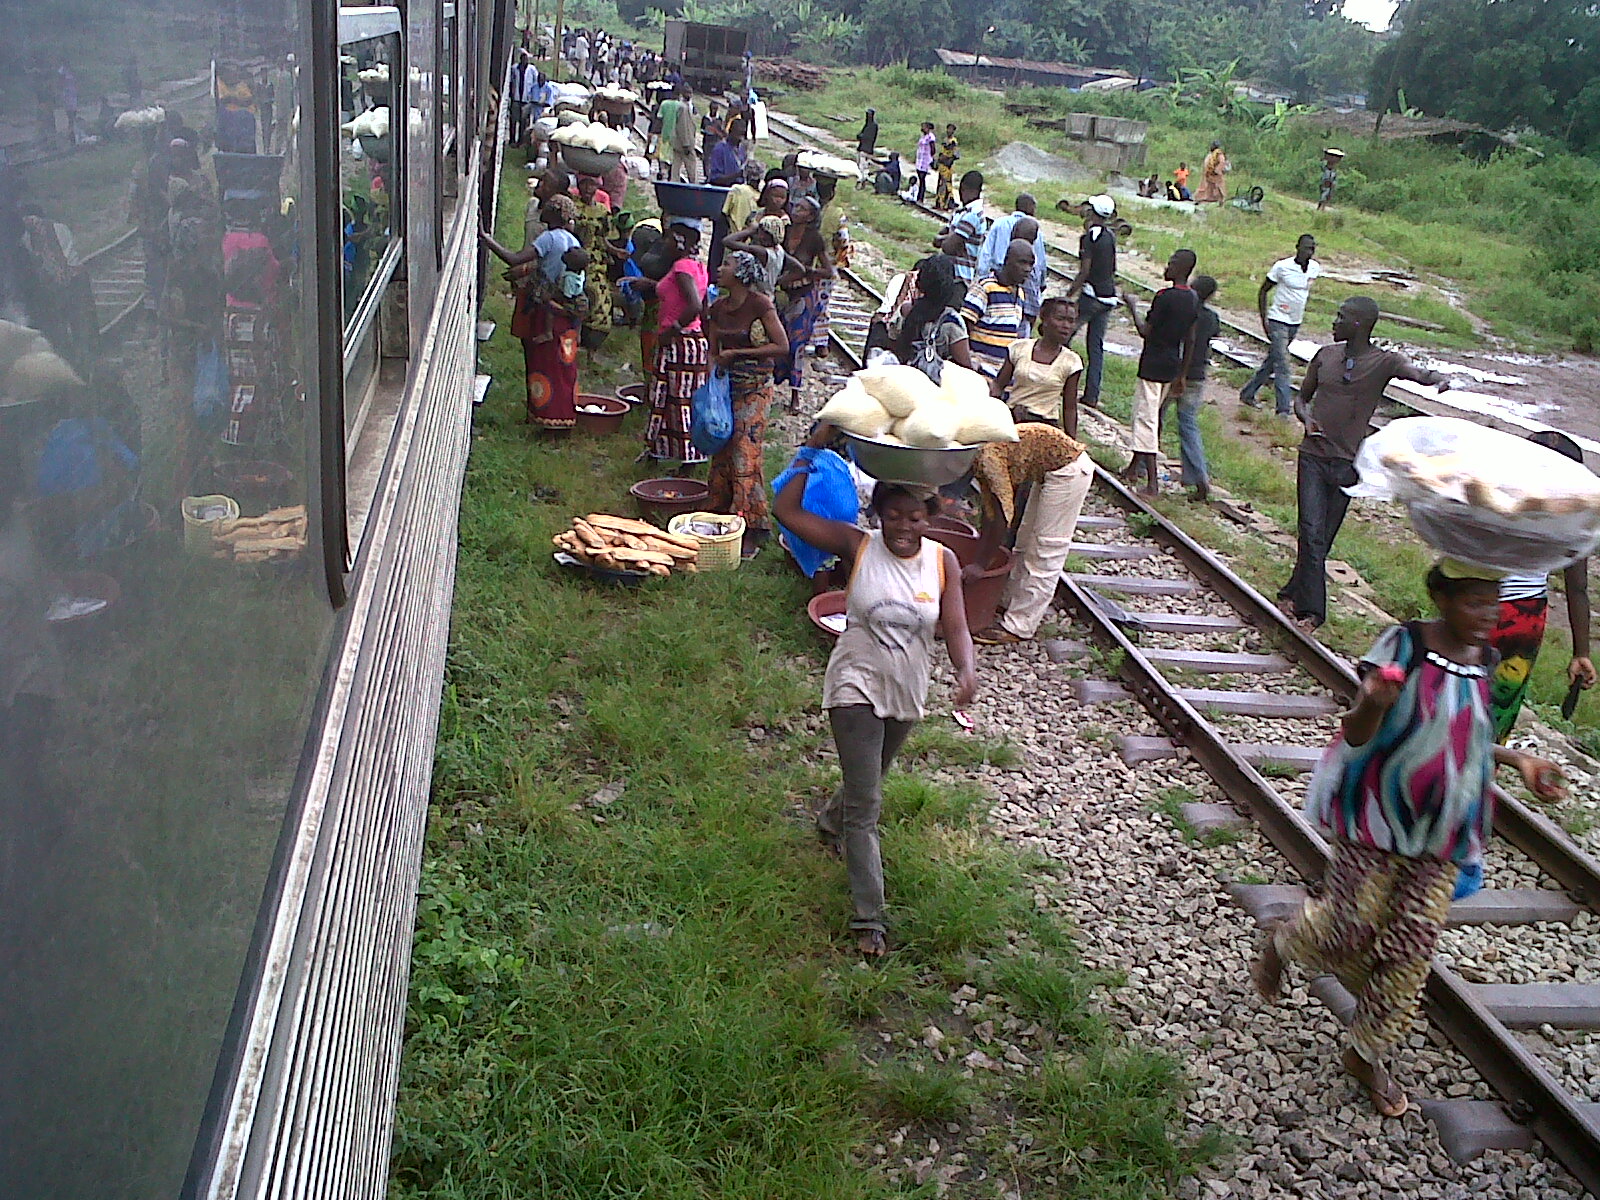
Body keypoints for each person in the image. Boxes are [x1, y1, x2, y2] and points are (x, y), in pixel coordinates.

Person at [1253, 559, 1567, 1118]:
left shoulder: (1487, 662)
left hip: (1445, 831)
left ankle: (1365, 1053)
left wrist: (1519, 758)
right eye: (1475, 601)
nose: (1490, 614)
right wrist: (1373, 702)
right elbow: (1356, 732)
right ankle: (1285, 940)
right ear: (1442, 598)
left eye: (1495, 600)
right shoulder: (1404, 644)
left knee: (1410, 951)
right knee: (1349, 931)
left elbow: (1463, 736)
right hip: (1376, 816)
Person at [773, 425, 979, 958]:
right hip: (855, 684)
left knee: (869, 779)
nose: (903, 528)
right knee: (869, 803)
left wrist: (966, 669)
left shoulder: (942, 562)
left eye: (914, 518)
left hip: (907, 691)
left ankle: (828, 820)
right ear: (877, 516)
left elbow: (955, 625)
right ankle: (870, 919)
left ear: (929, 519)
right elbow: (788, 513)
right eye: (893, 517)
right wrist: (812, 448)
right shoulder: (857, 547)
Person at [1279, 296, 1452, 629]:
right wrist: (1306, 420)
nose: (1334, 321)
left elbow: (1416, 374)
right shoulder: (1324, 356)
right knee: (1311, 531)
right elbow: (1301, 398)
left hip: (1349, 464)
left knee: (1322, 537)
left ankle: (1293, 590)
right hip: (1313, 457)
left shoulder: (1383, 362)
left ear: (1358, 323)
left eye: (1341, 316)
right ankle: (1312, 612)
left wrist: (1438, 379)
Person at [1489, 430, 1595, 739]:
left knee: (1449, 685)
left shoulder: (1497, 494)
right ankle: (1480, 766)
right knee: (1500, 702)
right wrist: (1581, 653)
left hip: (1474, 599)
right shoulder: (1574, 521)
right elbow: (1577, 589)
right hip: (1524, 618)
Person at [967, 420, 1095, 647]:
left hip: (1069, 472)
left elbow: (1002, 516)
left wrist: (980, 563)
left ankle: (1020, 625)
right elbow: (990, 510)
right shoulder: (977, 453)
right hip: (1047, 471)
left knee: (1046, 550)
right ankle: (1007, 600)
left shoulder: (987, 459)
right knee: (1024, 542)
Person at [705, 251, 790, 558]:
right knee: (725, 449)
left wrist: (739, 355)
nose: (719, 268)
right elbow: (713, 349)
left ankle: (745, 525)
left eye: (726, 264)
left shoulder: (760, 305)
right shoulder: (718, 308)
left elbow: (782, 346)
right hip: (728, 387)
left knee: (744, 452)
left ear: (741, 273)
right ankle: (732, 513)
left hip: (756, 388)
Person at [479, 194, 586, 432]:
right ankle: (564, 416)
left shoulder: (547, 238)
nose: (542, 211)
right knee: (563, 365)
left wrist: (485, 238)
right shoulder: (571, 239)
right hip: (566, 313)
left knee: (544, 363)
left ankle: (547, 417)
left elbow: (514, 258)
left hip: (546, 306)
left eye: (547, 209)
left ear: (554, 215)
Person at [1122, 249, 1200, 496]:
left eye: (1171, 263)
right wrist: (1182, 373)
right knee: (1152, 414)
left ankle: (1152, 482)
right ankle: (1134, 467)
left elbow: (1146, 331)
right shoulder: (1192, 298)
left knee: (1146, 419)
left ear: (1180, 268)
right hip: (1172, 365)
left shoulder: (1164, 296)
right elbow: (1191, 338)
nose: (1167, 267)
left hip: (1152, 364)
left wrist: (1132, 306)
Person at [636, 222, 710, 470]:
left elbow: (694, 306)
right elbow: (701, 305)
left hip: (679, 342)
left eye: (668, 239)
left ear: (679, 242)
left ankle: (687, 459)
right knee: (673, 398)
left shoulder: (681, 267)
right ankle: (661, 452)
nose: (664, 244)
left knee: (675, 400)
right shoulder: (697, 266)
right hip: (694, 341)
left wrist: (673, 330)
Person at [1241, 234, 1322, 416]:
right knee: (1283, 365)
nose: (1309, 252)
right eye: (1306, 248)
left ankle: (1248, 393)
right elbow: (1263, 291)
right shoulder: (1282, 267)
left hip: (1295, 321)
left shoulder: (1315, 268)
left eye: (1312, 248)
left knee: (1273, 360)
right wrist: (1264, 321)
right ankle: (1283, 411)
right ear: (1297, 248)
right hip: (1278, 320)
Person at [775, 195, 834, 412]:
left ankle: (795, 395)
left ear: (810, 217)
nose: (795, 209)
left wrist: (809, 272)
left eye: (801, 208)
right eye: (796, 206)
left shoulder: (814, 239)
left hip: (803, 296)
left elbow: (829, 271)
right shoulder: (784, 230)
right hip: (782, 292)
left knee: (797, 345)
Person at [990, 294, 1082, 429]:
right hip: (1012, 419)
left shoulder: (1071, 362)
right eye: (1060, 319)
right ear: (1044, 319)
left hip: (1045, 425)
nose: (1066, 326)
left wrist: (1071, 444)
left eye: (1071, 321)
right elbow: (998, 386)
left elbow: (1070, 408)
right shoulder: (1019, 349)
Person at [1167, 274, 1218, 502]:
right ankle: (1197, 475)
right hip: (1198, 375)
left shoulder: (1185, 312)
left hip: (1174, 372)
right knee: (1188, 424)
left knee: (1153, 416)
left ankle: (1142, 465)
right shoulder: (1212, 318)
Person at [1064, 195, 1117, 410]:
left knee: (1064, 334)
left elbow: (1084, 270)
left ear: (1092, 213)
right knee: (1096, 347)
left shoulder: (1088, 238)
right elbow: (1112, 268)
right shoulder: (1110, 236)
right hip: (1108, 296)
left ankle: (1060, 380)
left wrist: (1069, 294)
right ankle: (1091, 394)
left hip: (1091, 295)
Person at [892, 253, 973, 379]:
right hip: (935, 389)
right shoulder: (952, 322)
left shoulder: (906, 309)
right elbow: (966, 367)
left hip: (904, 379)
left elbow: (892, 337)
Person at [961, 239, 1033, 380]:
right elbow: (962, 327)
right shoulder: (985, 288)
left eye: (1031, 264)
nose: (1027, 269)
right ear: (1007, 261)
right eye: (1022, 262)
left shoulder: (1020, 294)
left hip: (1000, 377)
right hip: (978, 373)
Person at [810, 176, 850, 357]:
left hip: (806, 261)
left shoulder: (810, 207)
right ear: (833, 191)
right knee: (822, 304)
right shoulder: (837, 213)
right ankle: (820, 343)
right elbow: (843, 239)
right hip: (827, 265)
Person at [723, 214, 795, 298]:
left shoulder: (762, 252)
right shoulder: (779, 250)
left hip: (757, 297)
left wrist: (750, 230)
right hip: (769, 296)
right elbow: (799, 268)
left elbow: (727, 241)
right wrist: (776, 281)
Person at [710, 159, 763, 274]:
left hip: (732, 240)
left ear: (745, 174)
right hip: (753, 245)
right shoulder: (764, 196)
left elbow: (724, 214)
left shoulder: (737, 190)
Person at [944, 170, 987, 285]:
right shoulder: (962, 212)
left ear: (962, 189)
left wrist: (949, 237)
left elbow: (948, 247)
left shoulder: (973, 214)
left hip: (960, 279)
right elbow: (938, 241)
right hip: (951, 275)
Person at [934, 123, 960, 210]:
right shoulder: (945, 139)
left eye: (951, 129)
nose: (949, 131)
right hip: (942, 165)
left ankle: (946, 203)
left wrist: (948, 160)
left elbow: (956, 155)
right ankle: (939, 202)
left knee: (946, 185)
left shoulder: (953, 142)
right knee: (941, 184)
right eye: (948, 129)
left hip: (947, 166)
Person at [855, 108, 879, 189]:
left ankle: (862, 182)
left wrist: (860, 136)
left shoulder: (872, 126)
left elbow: (868, 137)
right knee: (862, 167)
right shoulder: (869, 124)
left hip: (865, 149)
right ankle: (862, 182)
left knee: (862, 167)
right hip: (865, 149)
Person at [914, 121, 936, 203]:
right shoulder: (923, 136)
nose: (922, 128)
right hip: (920, 160)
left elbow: (933, 149)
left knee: (922, 179)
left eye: (924, 127)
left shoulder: (931, 137)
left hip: (925, 161)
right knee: (920, 179)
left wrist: (930, 158)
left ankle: (921, 197)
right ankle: (919, 196)